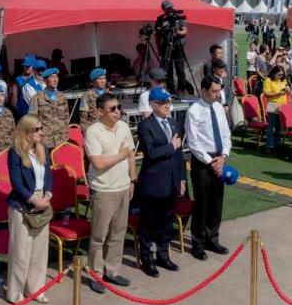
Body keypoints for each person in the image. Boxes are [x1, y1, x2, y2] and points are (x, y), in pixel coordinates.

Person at [82, 92, 135, 293]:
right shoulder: (93, 132)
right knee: (98, 236)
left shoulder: (123, 127)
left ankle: (112, 271)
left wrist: (132, 179)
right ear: (99, 111)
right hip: (103, 190)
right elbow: (98, 163)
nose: (117, 112)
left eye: (118, 107)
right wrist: (120, 155)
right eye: (112, 109)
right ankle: (96, 274)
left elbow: (130, 154)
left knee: (118, 233)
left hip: (123, 187)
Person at [134, 88, 184, 277]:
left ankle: (163, 255)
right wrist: (171, 146)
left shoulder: (173, 122)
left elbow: (179, 156)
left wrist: (180, 179)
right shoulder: (145, 126)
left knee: (166, 222)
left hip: (171, 182)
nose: (167, 106)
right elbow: (152, 153)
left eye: (168, 103)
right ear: (153, 105)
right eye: (163, 103)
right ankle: (147, 260)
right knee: (148, 224)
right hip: (153, 184)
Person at [5, 115, 53, 305]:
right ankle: (16, 294)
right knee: (21, 251)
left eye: (41, 128)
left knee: (39, 250)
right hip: (22, 203)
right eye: (37, 129)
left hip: (42, 199)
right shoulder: (15, 152)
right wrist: (34, 200)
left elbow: (48, 174)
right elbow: (16, 182)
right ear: (26, 131)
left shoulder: (43, 148)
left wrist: (47, 196)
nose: (41, 132)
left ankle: (36, 289)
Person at [182, 76, 231, 258]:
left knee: (217, 202)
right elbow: (193, 143)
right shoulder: (194, 111)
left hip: (219, 158)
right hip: (203, 162)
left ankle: (213, 239)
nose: (217, 95)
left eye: (219, 91)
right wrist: (212, 161)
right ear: (203, 90)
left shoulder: (218, 107)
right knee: (202, 203)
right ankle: (198, 243)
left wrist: (223, 157)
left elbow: (226, 134)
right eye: (214, 91)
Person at [33, 69, 70, 149]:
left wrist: (66, 134)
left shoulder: (62, 97)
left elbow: (66, 117)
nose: (55, 80)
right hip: (45, 140)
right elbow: (32, 119)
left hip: (61, 139)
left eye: (57, 77)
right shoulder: (37, 97)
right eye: (52, 77)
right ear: (45, 80)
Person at [260, 65, 288, 153]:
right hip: (273, 106)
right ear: (274, 73)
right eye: (279, 74)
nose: (280, 76)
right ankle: (269, 146)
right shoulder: (268, 80)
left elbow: (288, 90)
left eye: (282, 74)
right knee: (271, 127)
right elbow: (266, 94)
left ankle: (277, 146)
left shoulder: (283, 80)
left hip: (282, 106)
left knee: (279, 128)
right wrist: (278, 93)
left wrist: (287, 89)